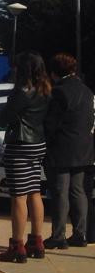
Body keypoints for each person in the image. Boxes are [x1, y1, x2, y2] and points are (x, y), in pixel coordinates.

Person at [0, 52, 53, 262]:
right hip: (38, 143)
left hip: (20, 145)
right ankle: (37, 241)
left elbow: (4, 118)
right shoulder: (45, 90)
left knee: (18, 197)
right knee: (35, 191)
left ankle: (17, 246)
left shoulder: (21, 92)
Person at [43, 54, 94, 249]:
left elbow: (51, 123)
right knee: (78, 191)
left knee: (60, 192)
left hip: (62, 149)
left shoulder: (59, 93)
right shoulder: (87, 91)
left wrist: (47, 140)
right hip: (84, 149)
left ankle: (58, 235)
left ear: (54, 73)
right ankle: (80, 234)